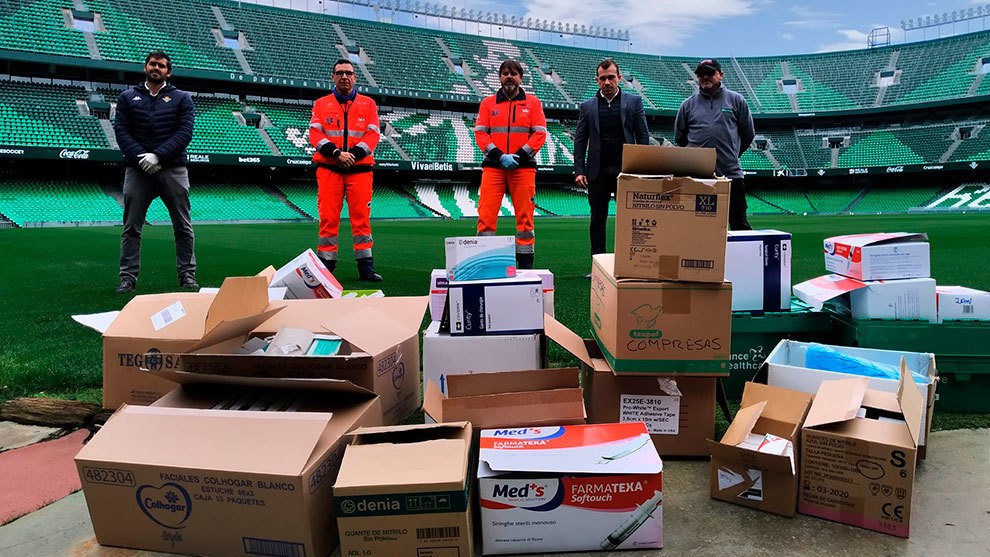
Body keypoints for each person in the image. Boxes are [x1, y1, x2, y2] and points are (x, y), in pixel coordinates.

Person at [114, 50, 197, 294]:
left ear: (168, 72)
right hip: (137, 169)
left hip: (173, 168)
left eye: (161, 66)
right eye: (152, 64)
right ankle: (127, 278)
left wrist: (158, 155)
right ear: (145, 67)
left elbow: (185, 133)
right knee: (131, 227)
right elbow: (121, 132)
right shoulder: (127, 97)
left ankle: (187, 274)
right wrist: (142, 158)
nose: (156, 68)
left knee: (183, 226)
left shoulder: (182, 98)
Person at [573, 58, 650, 274]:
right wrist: (579, 170)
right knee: (597, 219)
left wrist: (643, 167)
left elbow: (642, 135)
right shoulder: (587, 107)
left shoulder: (634, 102)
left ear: (619, 78)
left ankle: (630, 264)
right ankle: (598, 265)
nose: (607, 82)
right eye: (603, 78)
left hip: (626, 171)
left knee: (630, 221)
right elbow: (580, 140)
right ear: (597, 80)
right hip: (597, 173)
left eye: (611, 77)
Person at [309, 59, 383, 282]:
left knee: (361, 220)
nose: (344, 76)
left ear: (355, 77)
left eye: (348, 73)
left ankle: (366, 268)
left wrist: (353, 155)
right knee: (328, 218)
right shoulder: (321, 104)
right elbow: (315, 134)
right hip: (329, 169)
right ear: (332, 77)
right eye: (339, 73)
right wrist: (336, 154)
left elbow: (373, 134)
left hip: (359, 170)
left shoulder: (368, 104)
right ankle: (325, 267)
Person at [473, 59, 547, 270]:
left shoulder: (533, 103)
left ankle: (525, 266)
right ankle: (483, 263)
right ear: (499, 77)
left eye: (513, 73)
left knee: (525, 219)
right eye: (505, 73)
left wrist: (519, 157)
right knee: (486, 217)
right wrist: (499, 156)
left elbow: (539, 134)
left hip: (523, 168)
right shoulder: (488, 103)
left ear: (520, 77)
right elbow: (480, 134)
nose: (509, 76)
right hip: (493, 168)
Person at [675, 58, 755, 231]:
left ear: (720, 75)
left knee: (739, 224)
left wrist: (732, 155)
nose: (705, 77)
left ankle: (740, 259)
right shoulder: (687, 105)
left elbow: (748, 134)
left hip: (730, 175)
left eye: (710, 73)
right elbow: (680, 138)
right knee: (698, 228)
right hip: (697, 177)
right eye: (701, 74)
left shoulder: (737, 100)